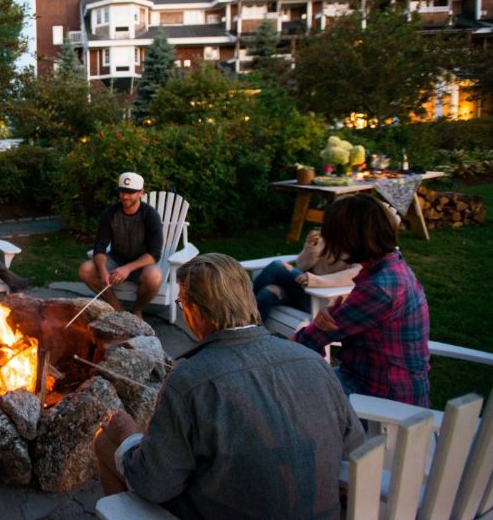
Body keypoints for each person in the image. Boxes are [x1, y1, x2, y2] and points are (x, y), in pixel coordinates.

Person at [94, 253, 364, 520]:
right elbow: (353, 448)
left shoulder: (189, 380)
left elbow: (153, 484)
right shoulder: (313, 361)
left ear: (195, 311)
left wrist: (129, 437)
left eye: (181, 303)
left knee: (108, 442)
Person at [293, 194, 431, 407]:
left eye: (332, 236)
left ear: (349, 238)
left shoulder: (378, 288)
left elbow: (309, 341)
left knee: (284, 397)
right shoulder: (392, 267)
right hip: (372, 379)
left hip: (384, 399)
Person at [78, 171, 163, 318]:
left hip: (140, 264)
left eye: (130, 192)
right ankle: (118, 308)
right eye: (122, 191)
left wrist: (128, 268)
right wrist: (103, 269)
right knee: (85, 270)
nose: (124, 196)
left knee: (154, 277)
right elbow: (100, 246)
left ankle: (137, 310)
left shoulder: (150, 215)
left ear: (141, 193)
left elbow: (154, 253)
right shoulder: (110, 213)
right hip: (116, 259)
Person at [252, 227, 360, 322]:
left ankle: (240, 305)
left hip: (323, 301)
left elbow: (356, 274)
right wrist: (311, 248)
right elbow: (301, 266)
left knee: (277, 266)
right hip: (302, 292)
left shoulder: (359, 245)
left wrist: (316, 281)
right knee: (267, 293)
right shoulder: (326, 237)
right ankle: (249, 336)